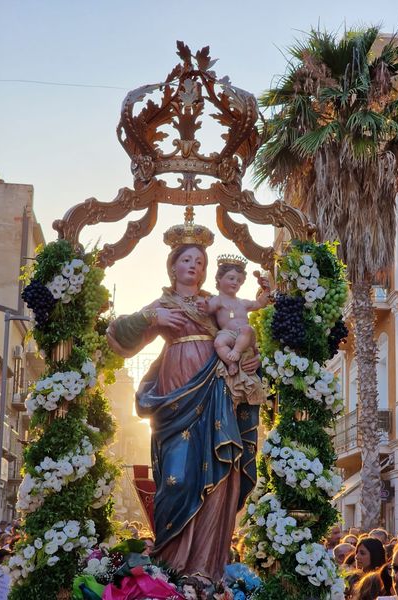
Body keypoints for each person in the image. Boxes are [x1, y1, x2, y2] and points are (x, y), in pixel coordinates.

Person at [107, 217, 263, 582]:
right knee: (175, 479)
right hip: (174, 397)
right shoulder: (162, 303)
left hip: (216, 393)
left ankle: (204, 570)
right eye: (187, 259)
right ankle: (169, 566)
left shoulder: (214, 304)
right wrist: (152, 315)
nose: (194, 266)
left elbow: (242, 334)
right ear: (173, 264)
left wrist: (251, 357)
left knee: (221, 476)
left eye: (200, 262)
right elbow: (120, 336)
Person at [197, 255, 270, 376]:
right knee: (219, 343)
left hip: (246, 336)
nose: (235, 283)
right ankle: (231, 364)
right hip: (228, 334)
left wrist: (266, 291)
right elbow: (209, 308)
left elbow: (260, 303)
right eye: (231, 278)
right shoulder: (218, 300)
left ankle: (236, 351)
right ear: (219, 279)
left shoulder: (243, 303)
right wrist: (204, 306)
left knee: (247, 328)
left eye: (239, 280)